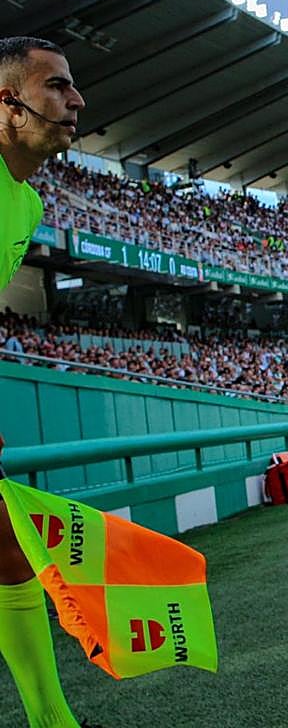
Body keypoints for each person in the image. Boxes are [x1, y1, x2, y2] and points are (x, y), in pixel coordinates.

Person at [0, 36, 86, 728]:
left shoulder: (24, 204)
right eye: (56, 86)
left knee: (7, 547)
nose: (76, 100)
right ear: (9, 104)